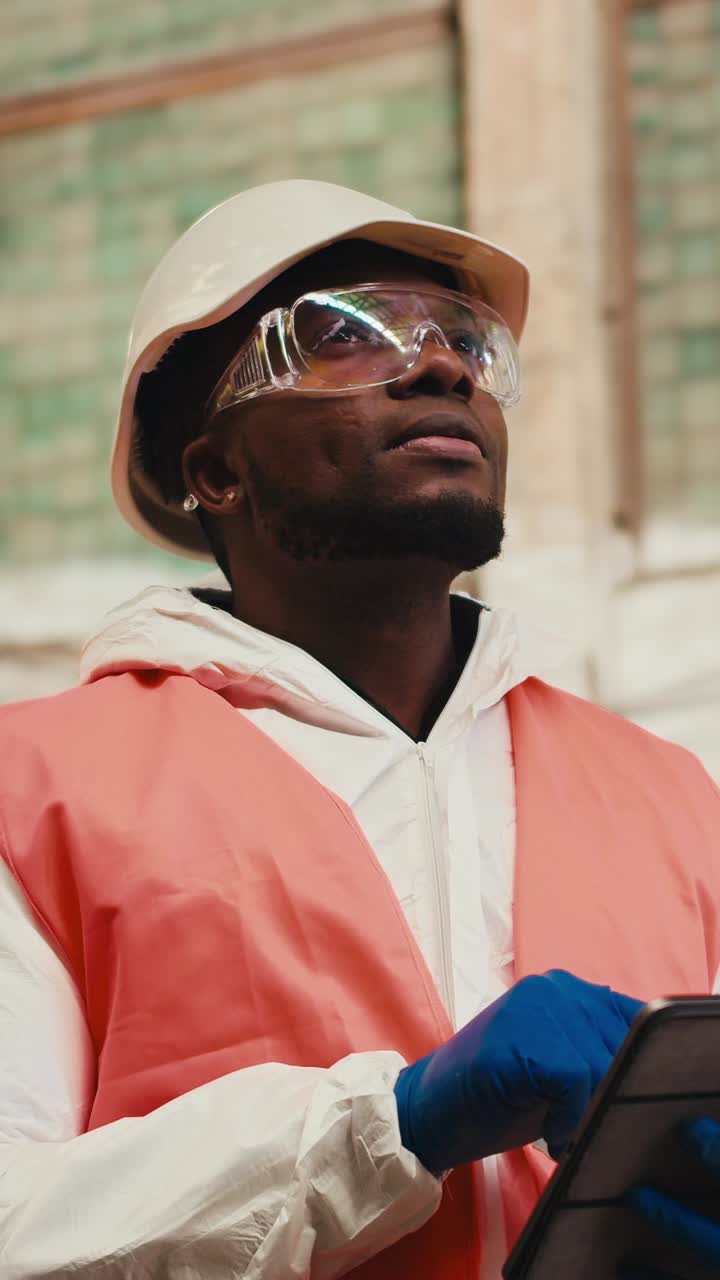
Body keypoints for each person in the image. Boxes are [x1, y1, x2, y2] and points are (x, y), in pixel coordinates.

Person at [0, 179, 718, 1280]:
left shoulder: (669, 793)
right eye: (347, 336)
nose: (443, 367)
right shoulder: (35, 789)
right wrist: (397, 1120)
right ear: (215, 469)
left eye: (463, 340)